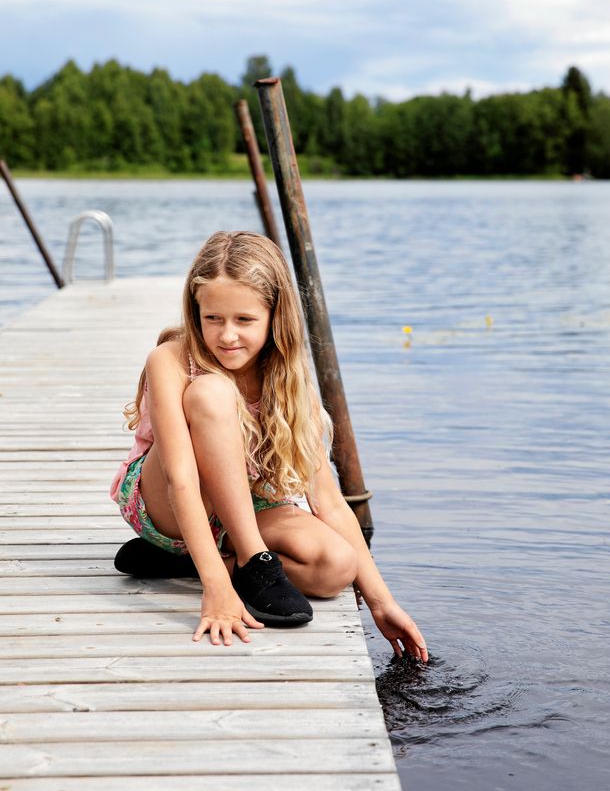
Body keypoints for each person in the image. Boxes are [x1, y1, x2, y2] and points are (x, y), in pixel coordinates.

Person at [111, 231, 428, 660]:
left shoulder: (288, 381)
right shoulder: (171, 359)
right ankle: (244, 563)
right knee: (212, 393)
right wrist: (217, 589)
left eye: (244, 320)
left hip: (243, 507)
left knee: (336, 566)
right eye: (213, 319)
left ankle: (208, 558)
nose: (226, 337)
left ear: (274, 317)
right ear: (196, 310)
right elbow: (180, 478)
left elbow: (329, 502)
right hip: (166, 503)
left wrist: (381, 601)